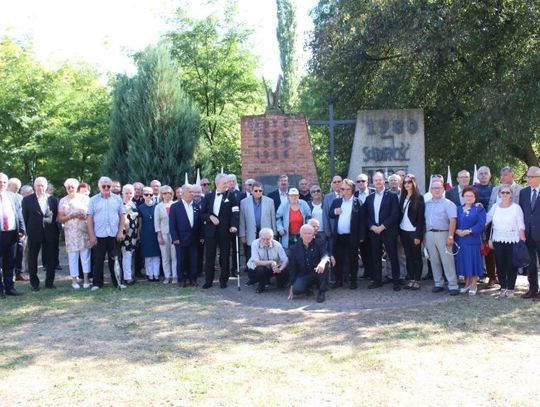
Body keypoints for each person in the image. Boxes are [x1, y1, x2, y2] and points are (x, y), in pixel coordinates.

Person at [200, 173, 239, 289]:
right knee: (210, 256)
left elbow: (235, 212)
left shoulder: (231, 196)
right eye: (225, 183)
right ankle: (208, 280)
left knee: (225, 256)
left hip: (225, 231)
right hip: (210, 232)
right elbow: (201, 214)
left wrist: (234, 225)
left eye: (228, 182)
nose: (227, 185)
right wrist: (210, 217)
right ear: (217, 184)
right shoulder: (208, 197)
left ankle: (223, 280)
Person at [486, 185, 526, 298]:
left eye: (507, 193)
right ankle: (503, 287)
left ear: (511, 195)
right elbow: (486, 218)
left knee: (511, 265)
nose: (505, 194)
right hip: (498, 240)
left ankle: (511, 289)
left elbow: (521, 224)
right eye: (502, 192)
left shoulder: (516, 208)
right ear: (499, 194)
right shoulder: (495, 207)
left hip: (513, 240)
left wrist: (522, 240)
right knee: (500, 265)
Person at [87, 176, 126, 290]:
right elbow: (89, 219)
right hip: (99, 235)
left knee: (115, 260)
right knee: (98, 260)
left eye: (108, 186)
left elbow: (122, 216)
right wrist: (92, 236)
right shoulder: (93, 200)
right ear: (99, 186)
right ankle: (97, 283)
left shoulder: (117, 199)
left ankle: (118, 282)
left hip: (114, 234)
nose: (106, 188)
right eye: (103, 186)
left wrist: (120, 232)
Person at [364, 172, 401, 291]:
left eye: (380, 180)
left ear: (384, 181)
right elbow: (366, 215)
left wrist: (383, 226)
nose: (378, 182)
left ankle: (396, 282)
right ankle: (377, 280)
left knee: (393, 256)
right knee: (375, 257)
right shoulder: (369, 198)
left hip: (388, 231)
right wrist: (372, 226)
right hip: (374, 231)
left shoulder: (392, 195)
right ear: (372, 182)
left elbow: (395, 214)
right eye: (375, 180)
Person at [22, 177, 59, 291]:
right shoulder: (27, 200)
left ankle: (49, 282)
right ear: (34, 186)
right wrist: (27, 232)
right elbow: (25, 217)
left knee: (51, 258)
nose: (40, 187)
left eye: (42, 185)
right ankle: (34, 283)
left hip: (50, 233)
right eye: (38, 185)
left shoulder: (53, 199)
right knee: (32, 259)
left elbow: (56, 216)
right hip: (34, 233)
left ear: (46, 186)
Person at [423, 180, 460, 296]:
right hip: (429, 234)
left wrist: (450, 235)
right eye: (434, 188)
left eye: (439, 188)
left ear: (443, 189)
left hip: (443, 233)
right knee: (434, 260)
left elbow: (453, 220)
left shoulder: (448, 203)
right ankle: (438, 283)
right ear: (431, 190)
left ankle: (453, 285)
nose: (436, 190)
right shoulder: (427, 204)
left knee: (447, 260)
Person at [328, 178, 365, 289]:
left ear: (351, 190)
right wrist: (335, 211)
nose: (342, 190)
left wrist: (362, 236)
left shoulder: (358, 202)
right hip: (339, 236)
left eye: (345, 189)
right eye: (342, 189)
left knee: (353, 259)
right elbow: (330, 214)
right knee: (338, 259)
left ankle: (353, 280)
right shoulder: (337, 201)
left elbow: (362, 221)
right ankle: (339, 280)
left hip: (352, 236)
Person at [57, 178, 91, 289]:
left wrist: (82, 215)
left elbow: (90, 215)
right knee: (73, 257)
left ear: (76, 188)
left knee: (85, 256)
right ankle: (74, 281)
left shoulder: (85, 198)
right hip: (70, 233)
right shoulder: (63, 201)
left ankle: (86, 279)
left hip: (83, 231)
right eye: (68, 187)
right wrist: (71, 216)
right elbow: (60, 219)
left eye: (72, 187)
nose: (70, 189)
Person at [239, 181, 276, 274]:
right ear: (251, 191)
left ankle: (265, 275)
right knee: (251, 254)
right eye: (256, 191)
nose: (258, 192)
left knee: (266, 253)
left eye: (260, 190)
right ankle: (252, 276)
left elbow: (273, 219)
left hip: (265, 232)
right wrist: (242, 234)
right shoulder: (244, 202)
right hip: (251, 232)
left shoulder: (269, 201)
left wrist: (274, 233)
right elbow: (242, 220)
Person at [455, 186, 486, 295]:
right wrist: (456, 231)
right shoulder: (458, 208)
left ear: (475, 197)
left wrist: (469, 231)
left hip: (473, 240)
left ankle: (474, 284)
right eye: (466, 195)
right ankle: (467, 284)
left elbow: (481, 224)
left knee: (473, 262)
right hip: (461, 241)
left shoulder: (479, 209)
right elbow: (453, 222)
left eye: (471, 196)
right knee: (464, 262)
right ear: (463, 196)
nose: (468, 197)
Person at [287, 224, 330, 303]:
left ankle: (322, 292)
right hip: (304, 273)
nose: (307, 236)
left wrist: (322, 262)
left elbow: (325, 254)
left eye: (310, 233)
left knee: (325, 265)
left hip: (318, 271)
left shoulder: (319, 243)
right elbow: (292, 268)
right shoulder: (294, 248)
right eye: (305, 233)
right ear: (301, 235)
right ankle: (308, 288)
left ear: (313, 235)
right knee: (296, 290)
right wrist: (292, 285)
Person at [170, 184, 202, 287]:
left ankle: (193, 279)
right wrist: (175, 238)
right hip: (180, 239)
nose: (192, 194)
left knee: (193, 260)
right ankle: (182, 279)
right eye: (190, 191)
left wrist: (201, 236)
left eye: (193, 192)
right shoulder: (175, 206)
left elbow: (199, 223)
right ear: (183, 193)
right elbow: (172, 224)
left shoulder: (196, 206)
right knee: (181, 259)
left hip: (194, 238)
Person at [0, 173, 25, 298]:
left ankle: (10, 287)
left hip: (11, 233)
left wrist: (22, 229)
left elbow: (18, 214)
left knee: (10, 262)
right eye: (0, 182)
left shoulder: (13, 196)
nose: (2, 184)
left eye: (4, 182)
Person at [399, 174, 425, 290]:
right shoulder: (402, 197)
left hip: (414, 232)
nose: (407, 184)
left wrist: (418, 235)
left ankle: (418, 280)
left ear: (413, 183)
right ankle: (411, 279)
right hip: (403, 231)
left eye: (409, 182)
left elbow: (420, 219)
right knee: (408, 256)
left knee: (416, 257)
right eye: (405, 182)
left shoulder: (419, 198)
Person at [519, 166, 540, 300]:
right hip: (528, 234)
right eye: (528, 176)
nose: (528, 179)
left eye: (531, 177)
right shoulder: (524, 192)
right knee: (531, 263)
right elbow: (522, 213)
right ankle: (532, 289)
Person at [247, 228, 288, 293]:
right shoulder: (255, 243)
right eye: (263, 239)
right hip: (258, 267)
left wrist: (280, 269)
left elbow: (285, 259)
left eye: (268, 239)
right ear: (260, 237)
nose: (265, 241)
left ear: (272, 238)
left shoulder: (277, 244)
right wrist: (271, 262)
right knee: (260, 269)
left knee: (286, 267)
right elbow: (256, 262)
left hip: (274, 268)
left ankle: (281, 283)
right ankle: (261, 285)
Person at [476, 166, 497, 288]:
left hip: (494, 224)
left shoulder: (496, 189)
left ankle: (495, 277)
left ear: (490, 175)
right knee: (484, 251)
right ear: (478, 176)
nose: (483, 175)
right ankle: (488, 276)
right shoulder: (473, 189)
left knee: (493, 251)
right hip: (478, 223)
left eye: (486, 173)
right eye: (481, 173)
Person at [154, 185, 176, 284]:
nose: (167, 195)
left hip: (174, 234)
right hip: (163, 234)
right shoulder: (158, 207)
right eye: (165, 193)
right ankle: (167, 276)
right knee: (165, 256)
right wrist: (159, 235)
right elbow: (156, 222)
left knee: (174, 256)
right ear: (161, 195)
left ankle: (175, 276)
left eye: (169, 193)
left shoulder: (176, 205)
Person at [138, 186, 161, 281]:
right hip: (145, 233)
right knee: (148, 256)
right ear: (143, 195)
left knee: (156, 255)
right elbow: (139, 223)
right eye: (146, 194)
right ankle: (149, 274)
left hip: (155, 232)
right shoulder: (140, 207)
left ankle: (156, 274)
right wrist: (139, 234)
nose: (148, 196)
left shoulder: (157, 206)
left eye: (150, 194)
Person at [7, 177, 26, 282]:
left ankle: (18, 273)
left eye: (18, 188)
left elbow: (21, 215)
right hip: (5, 231)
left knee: (19, 252)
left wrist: (22, 230)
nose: (16, 191)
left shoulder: (19, 197)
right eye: (15, 188)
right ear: (8, 186)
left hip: (18, 231)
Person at [120, 184, 139, 285]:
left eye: (131, 193)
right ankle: (127, 278)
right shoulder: (119, 204)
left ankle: (129, 275)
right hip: (123, 234)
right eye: (126, 193)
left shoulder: (134, 204)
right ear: (122, 193)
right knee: (126, 255)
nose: (129, 195)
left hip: (133, 234)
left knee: (130, 254)